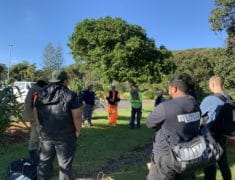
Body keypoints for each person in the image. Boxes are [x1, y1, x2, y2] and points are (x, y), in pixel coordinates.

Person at [147, 73, 200, 180]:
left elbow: (149, 122)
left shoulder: (166, 106)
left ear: (174, 88)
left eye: (169, 89)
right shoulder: (196, 105)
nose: (168, 91)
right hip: (188, 154)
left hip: (166, 156)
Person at [33, 70, 83, 180]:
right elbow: (77, 116)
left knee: (44, 163)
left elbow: (35, 111)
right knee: (65, 165)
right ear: (65, 81)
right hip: (65, 137)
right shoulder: (70, 95)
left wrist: (38, 127)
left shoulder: (40, 94)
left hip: (46, 135)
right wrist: (78, 131)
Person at [200, 75, 232, 180]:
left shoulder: (209, 99)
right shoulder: (229, 98)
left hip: (210, 136)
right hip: (223, 134)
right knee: (223, 163)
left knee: (210, 165)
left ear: (212, 84)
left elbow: (198, 115)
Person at [22, 78, 48, 164]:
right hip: (36, 115)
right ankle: (42, 156)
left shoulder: (33, 88)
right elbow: (39, 103)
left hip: (30, 115)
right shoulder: (39, 89)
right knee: (41, 134)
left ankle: (33, 155)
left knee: (34, 134)